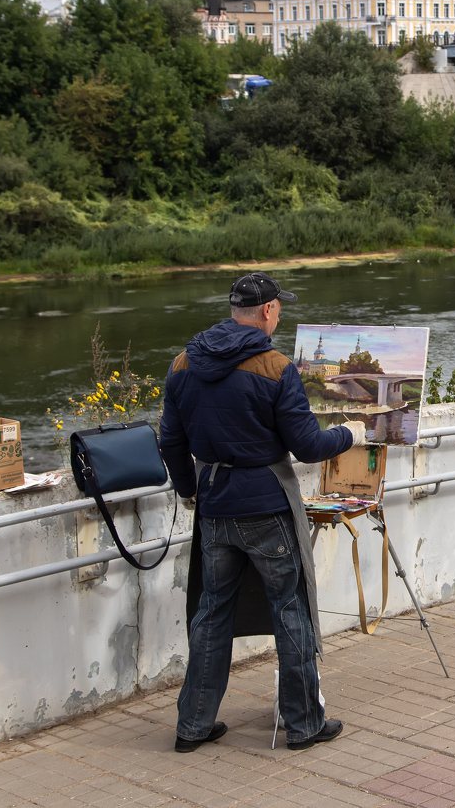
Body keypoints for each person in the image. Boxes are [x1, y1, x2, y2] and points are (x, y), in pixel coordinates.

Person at [159, 271, 362, 753]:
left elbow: (170, 441)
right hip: (267, 506)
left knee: (212, 612)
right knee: (290, 609)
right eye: (279, 308)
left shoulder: (183, 363)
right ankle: (304, 724)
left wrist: (189, 491)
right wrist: (349, 433)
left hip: (214, 505)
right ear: (268, 310)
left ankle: (193, 726)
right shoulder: (275, 367)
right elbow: (308, 446)